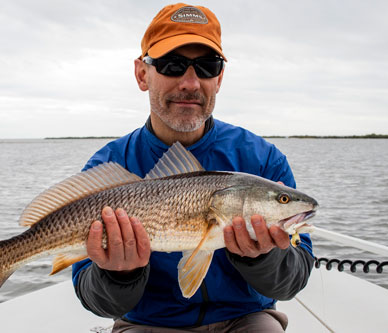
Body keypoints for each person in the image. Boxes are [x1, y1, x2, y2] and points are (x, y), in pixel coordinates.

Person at [72, 3, 314, 332]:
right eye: (172, 65)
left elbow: (292, 283)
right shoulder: (108, 166)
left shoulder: (263, 160)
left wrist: (262, 258)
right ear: (142, 74)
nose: (190, 82)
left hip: (245, 319)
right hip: (147, 322)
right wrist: (119, 274)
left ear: (220, 78)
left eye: (206, 66)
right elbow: (94, 300)